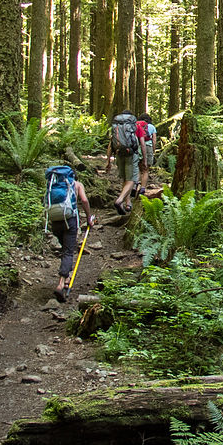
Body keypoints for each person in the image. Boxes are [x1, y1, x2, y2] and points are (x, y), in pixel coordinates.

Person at [43, 165, 94, 303]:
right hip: (70, 221)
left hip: (55, 221)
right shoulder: (76, 184)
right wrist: (89, 218)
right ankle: (61, 284)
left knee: (65, 249)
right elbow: (84, 200)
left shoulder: (52, 185)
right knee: (68, 252)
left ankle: (66, 278)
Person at [102, 110, 141, 217]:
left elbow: (111, 145)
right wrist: (145, 159)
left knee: (125, 179)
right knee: (132, 180)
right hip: (131, 154)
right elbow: (140, 141)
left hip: (119, 154)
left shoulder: (117, 127)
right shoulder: (134, 126)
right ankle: (119, 200)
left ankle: (127, 203)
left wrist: (108, 161)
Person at [135, 112, 156, 196]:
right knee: (146, 169)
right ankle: (142, 188)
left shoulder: (136, 125)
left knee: (138, 168)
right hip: (148, 147)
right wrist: (153, 150)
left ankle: (135, 185)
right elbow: (154, 140)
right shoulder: (152, 127)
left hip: (138, 147)